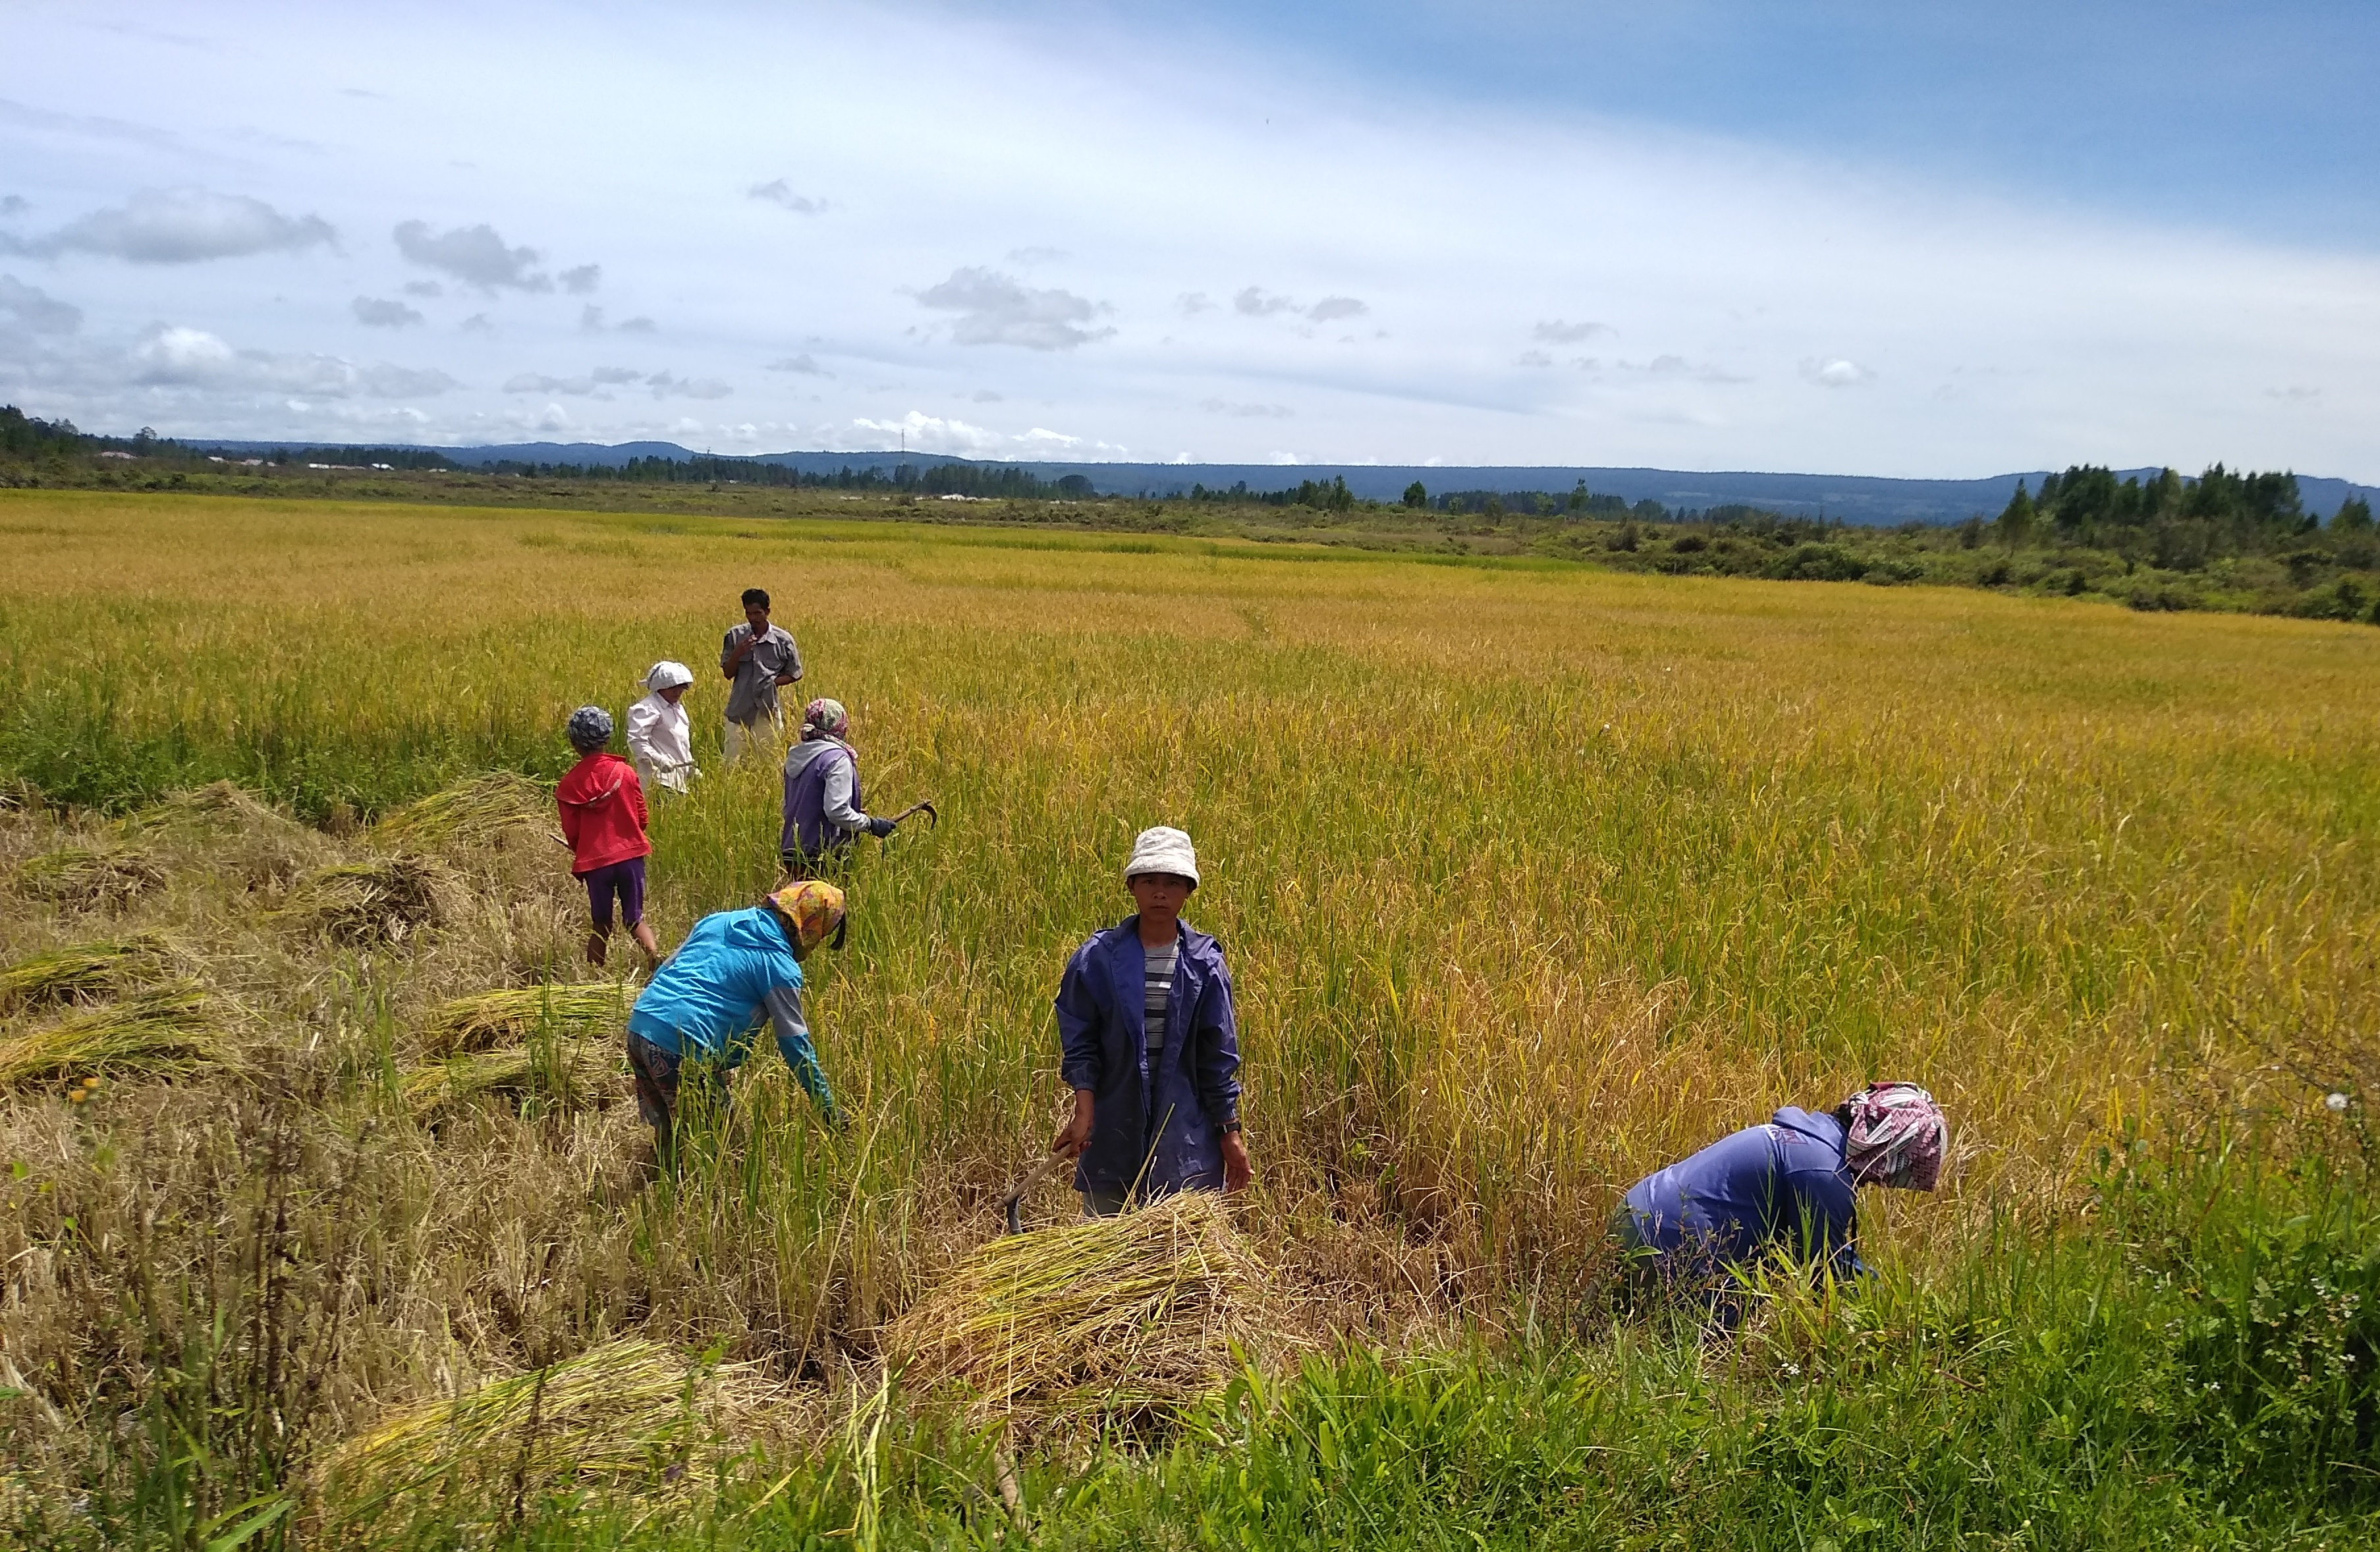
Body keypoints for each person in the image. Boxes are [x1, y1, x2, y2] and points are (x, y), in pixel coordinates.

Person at [1613, 1082, 1949, 1316]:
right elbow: (1826, 1270)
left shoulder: (1802, 1140)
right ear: (1890, 1150)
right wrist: (1892, 1299)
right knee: (1708, 1358)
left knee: (1607, 1329)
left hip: (1636, 1213)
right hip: (1670, 1244)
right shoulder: (1824, 1173)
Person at [1049, 826, 1249, 1215]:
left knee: (1180, 1255)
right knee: (1105, 1254)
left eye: (1173, 883)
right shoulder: (1097, 959)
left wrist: (1229, 1133)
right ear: (1131, 887)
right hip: (1114, 1121)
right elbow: (1081, 1042)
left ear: (1189, 890)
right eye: (1150, 881)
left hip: (1184, 1130)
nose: (1161, 892)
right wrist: (1084, 1111)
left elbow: (1217, 1057)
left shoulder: (1204, 964)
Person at [623, 880, 848, 1168]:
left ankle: (661, 1191)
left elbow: (664, 971)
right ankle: (698, 1203)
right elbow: (795, 1046)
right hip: (682, 1046)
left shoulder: (718, 921)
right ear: (812, 927)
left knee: (672, 1136)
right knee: (722, 1149)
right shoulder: (779, 965)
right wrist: (827, 1108)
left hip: (641, 1025)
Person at [555, 705, 660, 971]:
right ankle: (655, 958)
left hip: (595, 864)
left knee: (601, 924)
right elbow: (642, 818)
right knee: (634, 918)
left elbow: (573, 834)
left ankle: (594, 978)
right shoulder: (625, 773)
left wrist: (583, 854)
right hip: (631, 856)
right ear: (607, 738)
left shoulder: (568, 786)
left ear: (574, 743)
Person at [779, 698, 901, 872]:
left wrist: (853, 815)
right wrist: (870, 824)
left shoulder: (796, 757)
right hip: (822, 856)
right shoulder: (837, 759)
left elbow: (789, 809)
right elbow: (836, 811)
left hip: (792, 853)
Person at [719, 588, 802, 767]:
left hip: (767, 710)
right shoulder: (735, 636)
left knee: (768, 761)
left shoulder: (783, 640)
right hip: (739, 709)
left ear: (767, 612)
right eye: (749, 613)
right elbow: (728, 673)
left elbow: (795, 673)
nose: (753, 618)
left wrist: (772, 683)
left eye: (758, 613)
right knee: (732, 763)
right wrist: (738, 652)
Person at [626, 660, 698, 796]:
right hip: (659, 781)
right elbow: (636, 741)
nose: (678, 692)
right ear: (660, 687)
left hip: (678, 780)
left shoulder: (678, 709)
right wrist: (658, 760)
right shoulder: (647, 709)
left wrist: (690, 768)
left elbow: (681, 744)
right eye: (673, 688)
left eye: (681, 687)